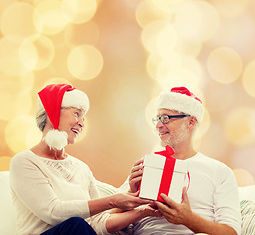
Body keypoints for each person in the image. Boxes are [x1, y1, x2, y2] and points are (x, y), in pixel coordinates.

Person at [9, 84, 160, 235]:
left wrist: (144, 211)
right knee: (76, 224)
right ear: (52, 112)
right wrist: (112, 200)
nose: (82, 123)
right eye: (77, 113)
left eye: (83, 117)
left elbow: (97, 223)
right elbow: (53, 212)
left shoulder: (81, 168)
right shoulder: (24, 162)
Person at [123, 86, 242, 235]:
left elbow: (232, 232)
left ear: (190, 122)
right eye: (157, 119)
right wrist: (130, 193)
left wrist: (189, 219)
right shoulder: (146, 165)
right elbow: (106, 218)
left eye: (165, 118)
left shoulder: (219, 172)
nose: (159, 125)